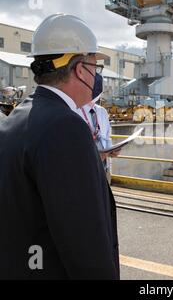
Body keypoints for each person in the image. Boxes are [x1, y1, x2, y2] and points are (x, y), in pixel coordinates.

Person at [0, 14, 119, 279]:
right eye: (94, 67)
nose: (96, 76)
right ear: (79, 69)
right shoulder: (66, 127)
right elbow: (86, 246)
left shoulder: (16, 119)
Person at [78, 92, 120, 183]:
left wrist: (111, 151)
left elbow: (107, 137)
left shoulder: (102, 111)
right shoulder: (74, 111)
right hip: (85, 170)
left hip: (104, 168)